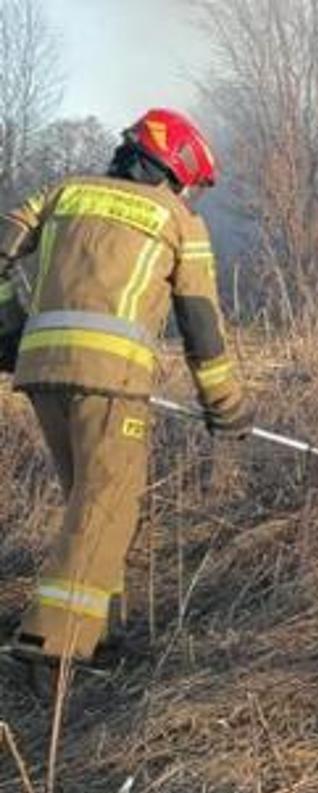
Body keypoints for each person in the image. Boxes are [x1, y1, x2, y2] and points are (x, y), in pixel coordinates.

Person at [2, 108, 251, 675]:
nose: (191, 197)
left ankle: (99, 633)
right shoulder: (178, 221)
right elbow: (201, 326)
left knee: (89, 500)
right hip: (110, 383)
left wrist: (8, 332)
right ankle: (52, 644)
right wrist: (227, 407)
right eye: (191, 186)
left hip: (41, 372)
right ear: (175, 170)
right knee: (108, 504)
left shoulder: (60, 194)